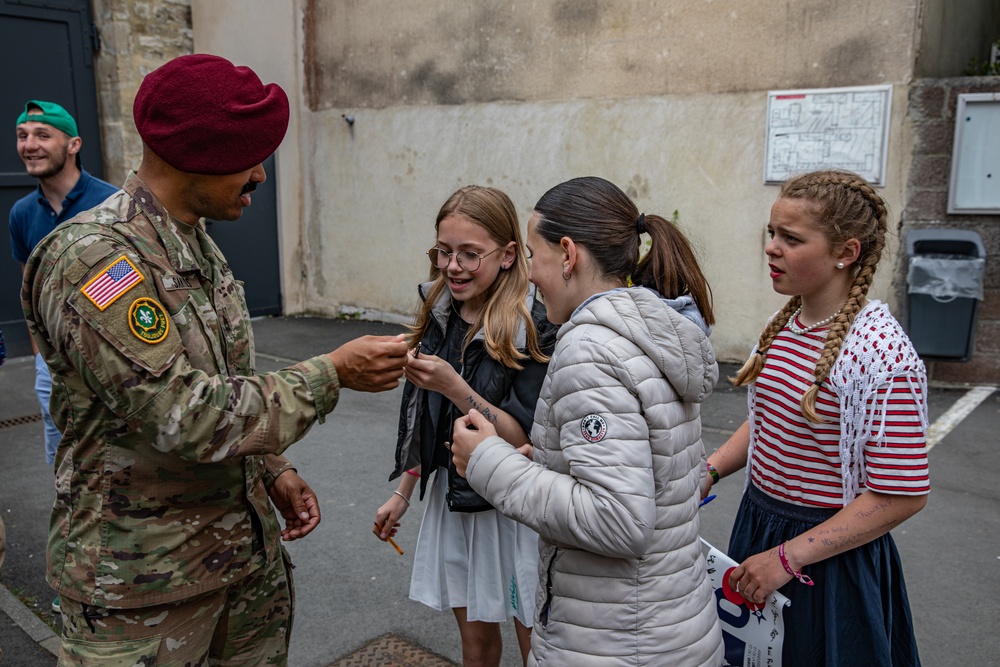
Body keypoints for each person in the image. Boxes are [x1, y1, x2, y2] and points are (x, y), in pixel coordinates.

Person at [21, 54, 408, 666]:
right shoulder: (94, 262)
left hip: (239, 563)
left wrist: (271, 467)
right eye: (247, 158)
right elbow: (184, 413)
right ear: (196, 154)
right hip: (143, 592)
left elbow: (226, 379)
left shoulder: (194, 242)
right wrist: (333, 373)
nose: (258, 175)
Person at [451, 176, 725, 666]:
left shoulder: (590, 351)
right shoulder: (652, 333)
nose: (530, 276)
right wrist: (552, 465)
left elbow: (620, 520)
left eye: (534, 257)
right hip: (669, 629)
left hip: (613, 642)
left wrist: (488, 462)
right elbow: (651, 472)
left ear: (569, 254)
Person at [705, 169, 929, 665]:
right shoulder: (781, 325)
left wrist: (786, 559)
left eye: (791, 238)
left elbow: (903, 494)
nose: (772, 248)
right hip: (760, 530)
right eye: (771, 233)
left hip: (829, 564)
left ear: (845, 253)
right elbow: (771, 424)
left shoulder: (882, 353)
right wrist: (710, 468)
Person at [375, 185, 557, 667]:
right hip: (456, 500)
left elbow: (524, 437)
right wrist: (403, 492)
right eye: (443, 251)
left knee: (535, 644)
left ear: (508, 255)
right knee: (475, 645)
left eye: (470, 254)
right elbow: (428, 418)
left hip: (517, 510)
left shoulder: (535, 324)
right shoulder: (439, 309)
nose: (452, 267)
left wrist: (455, 386)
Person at [10, 100, 119, 473]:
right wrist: (42, 356)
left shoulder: (111, 202)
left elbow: (129, 276)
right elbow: (29, 290)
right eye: (22, 136)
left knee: (114, 464)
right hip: (53, 365)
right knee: (64, 468)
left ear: (74, 144)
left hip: (111, 359)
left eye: (43, 135)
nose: (30, 145)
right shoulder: (22, 214)